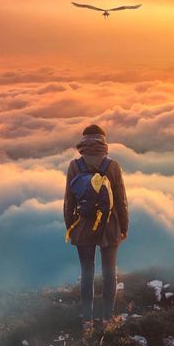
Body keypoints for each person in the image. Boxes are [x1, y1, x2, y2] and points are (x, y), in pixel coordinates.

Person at [63, 124, 129, 335]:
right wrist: (124, 226)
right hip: (110, 226)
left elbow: (68, 202)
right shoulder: (112, 166)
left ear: (83, 142)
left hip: (83, 226)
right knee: (110, 274)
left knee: (87, 273)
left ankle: (87, 322)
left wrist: (71, 227)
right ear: (103, 141)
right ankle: (107, 319)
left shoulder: (74, 166)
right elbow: (121, 201)